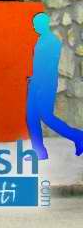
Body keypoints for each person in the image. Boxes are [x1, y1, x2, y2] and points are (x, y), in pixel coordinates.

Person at [26, 12, 83, 160]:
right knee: (31, 117)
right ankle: (39, 152)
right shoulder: (42, 40)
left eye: (36, 24)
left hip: (44, 85)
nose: (33, 26)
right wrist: (33, 78)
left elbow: (49, 67)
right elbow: (40, 64)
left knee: (46, 117)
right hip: (37, 83)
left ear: (43, 24)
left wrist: (39, 82)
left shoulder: (51, 42)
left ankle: (78, 136)